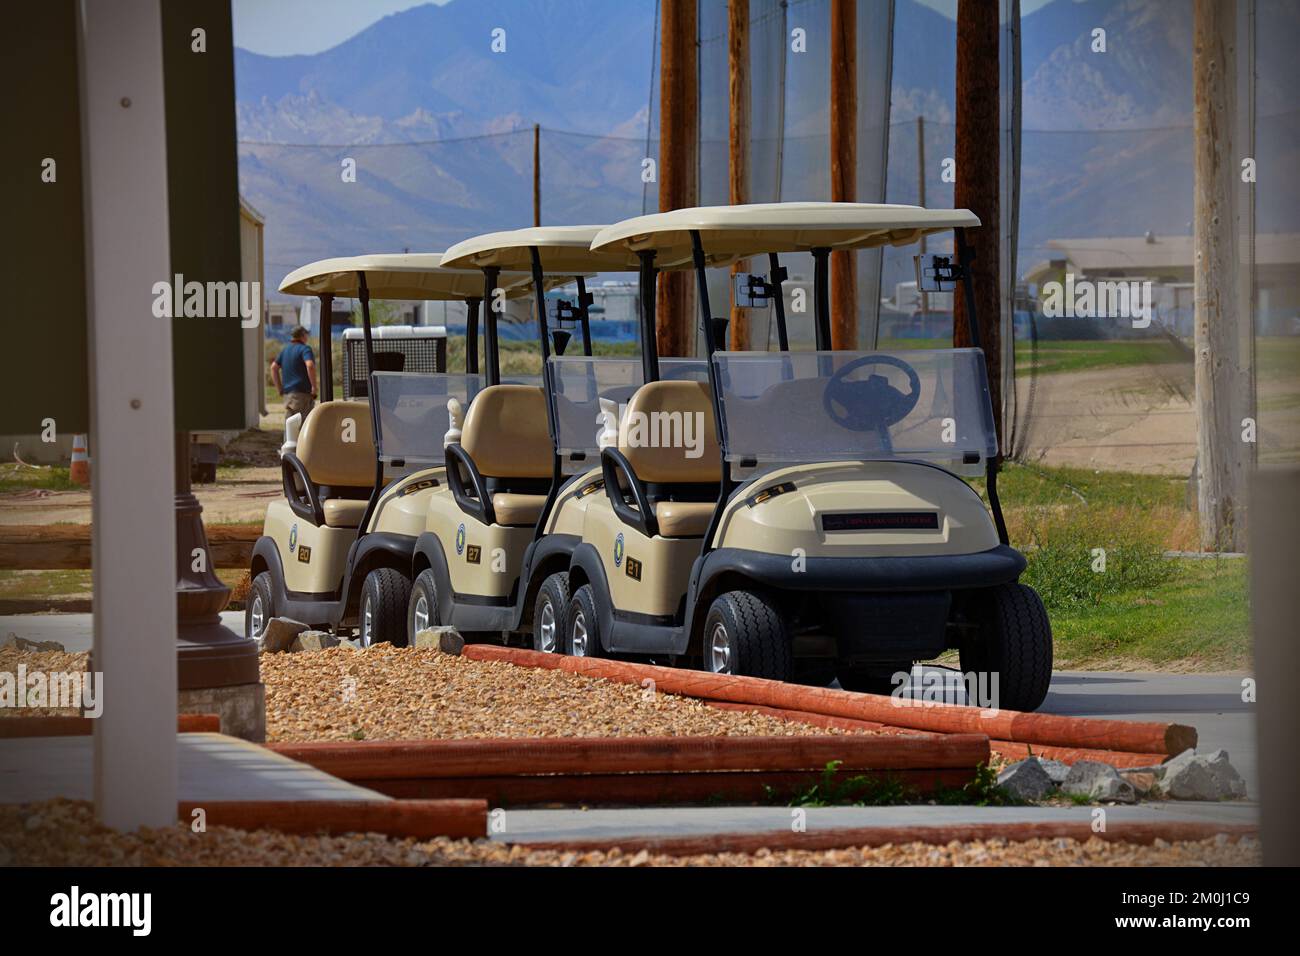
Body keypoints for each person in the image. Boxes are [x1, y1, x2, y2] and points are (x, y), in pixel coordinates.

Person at [271, 325, 318, 418]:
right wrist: (314, 387)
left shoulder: (285, 350)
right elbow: (310, 365)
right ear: (303, 335)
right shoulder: (305, 349)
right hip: (302, 394)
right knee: (303, 427)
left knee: (290, 426)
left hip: (288, 395)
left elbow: (273, 368)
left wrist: (280, 389)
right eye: (306, 334)